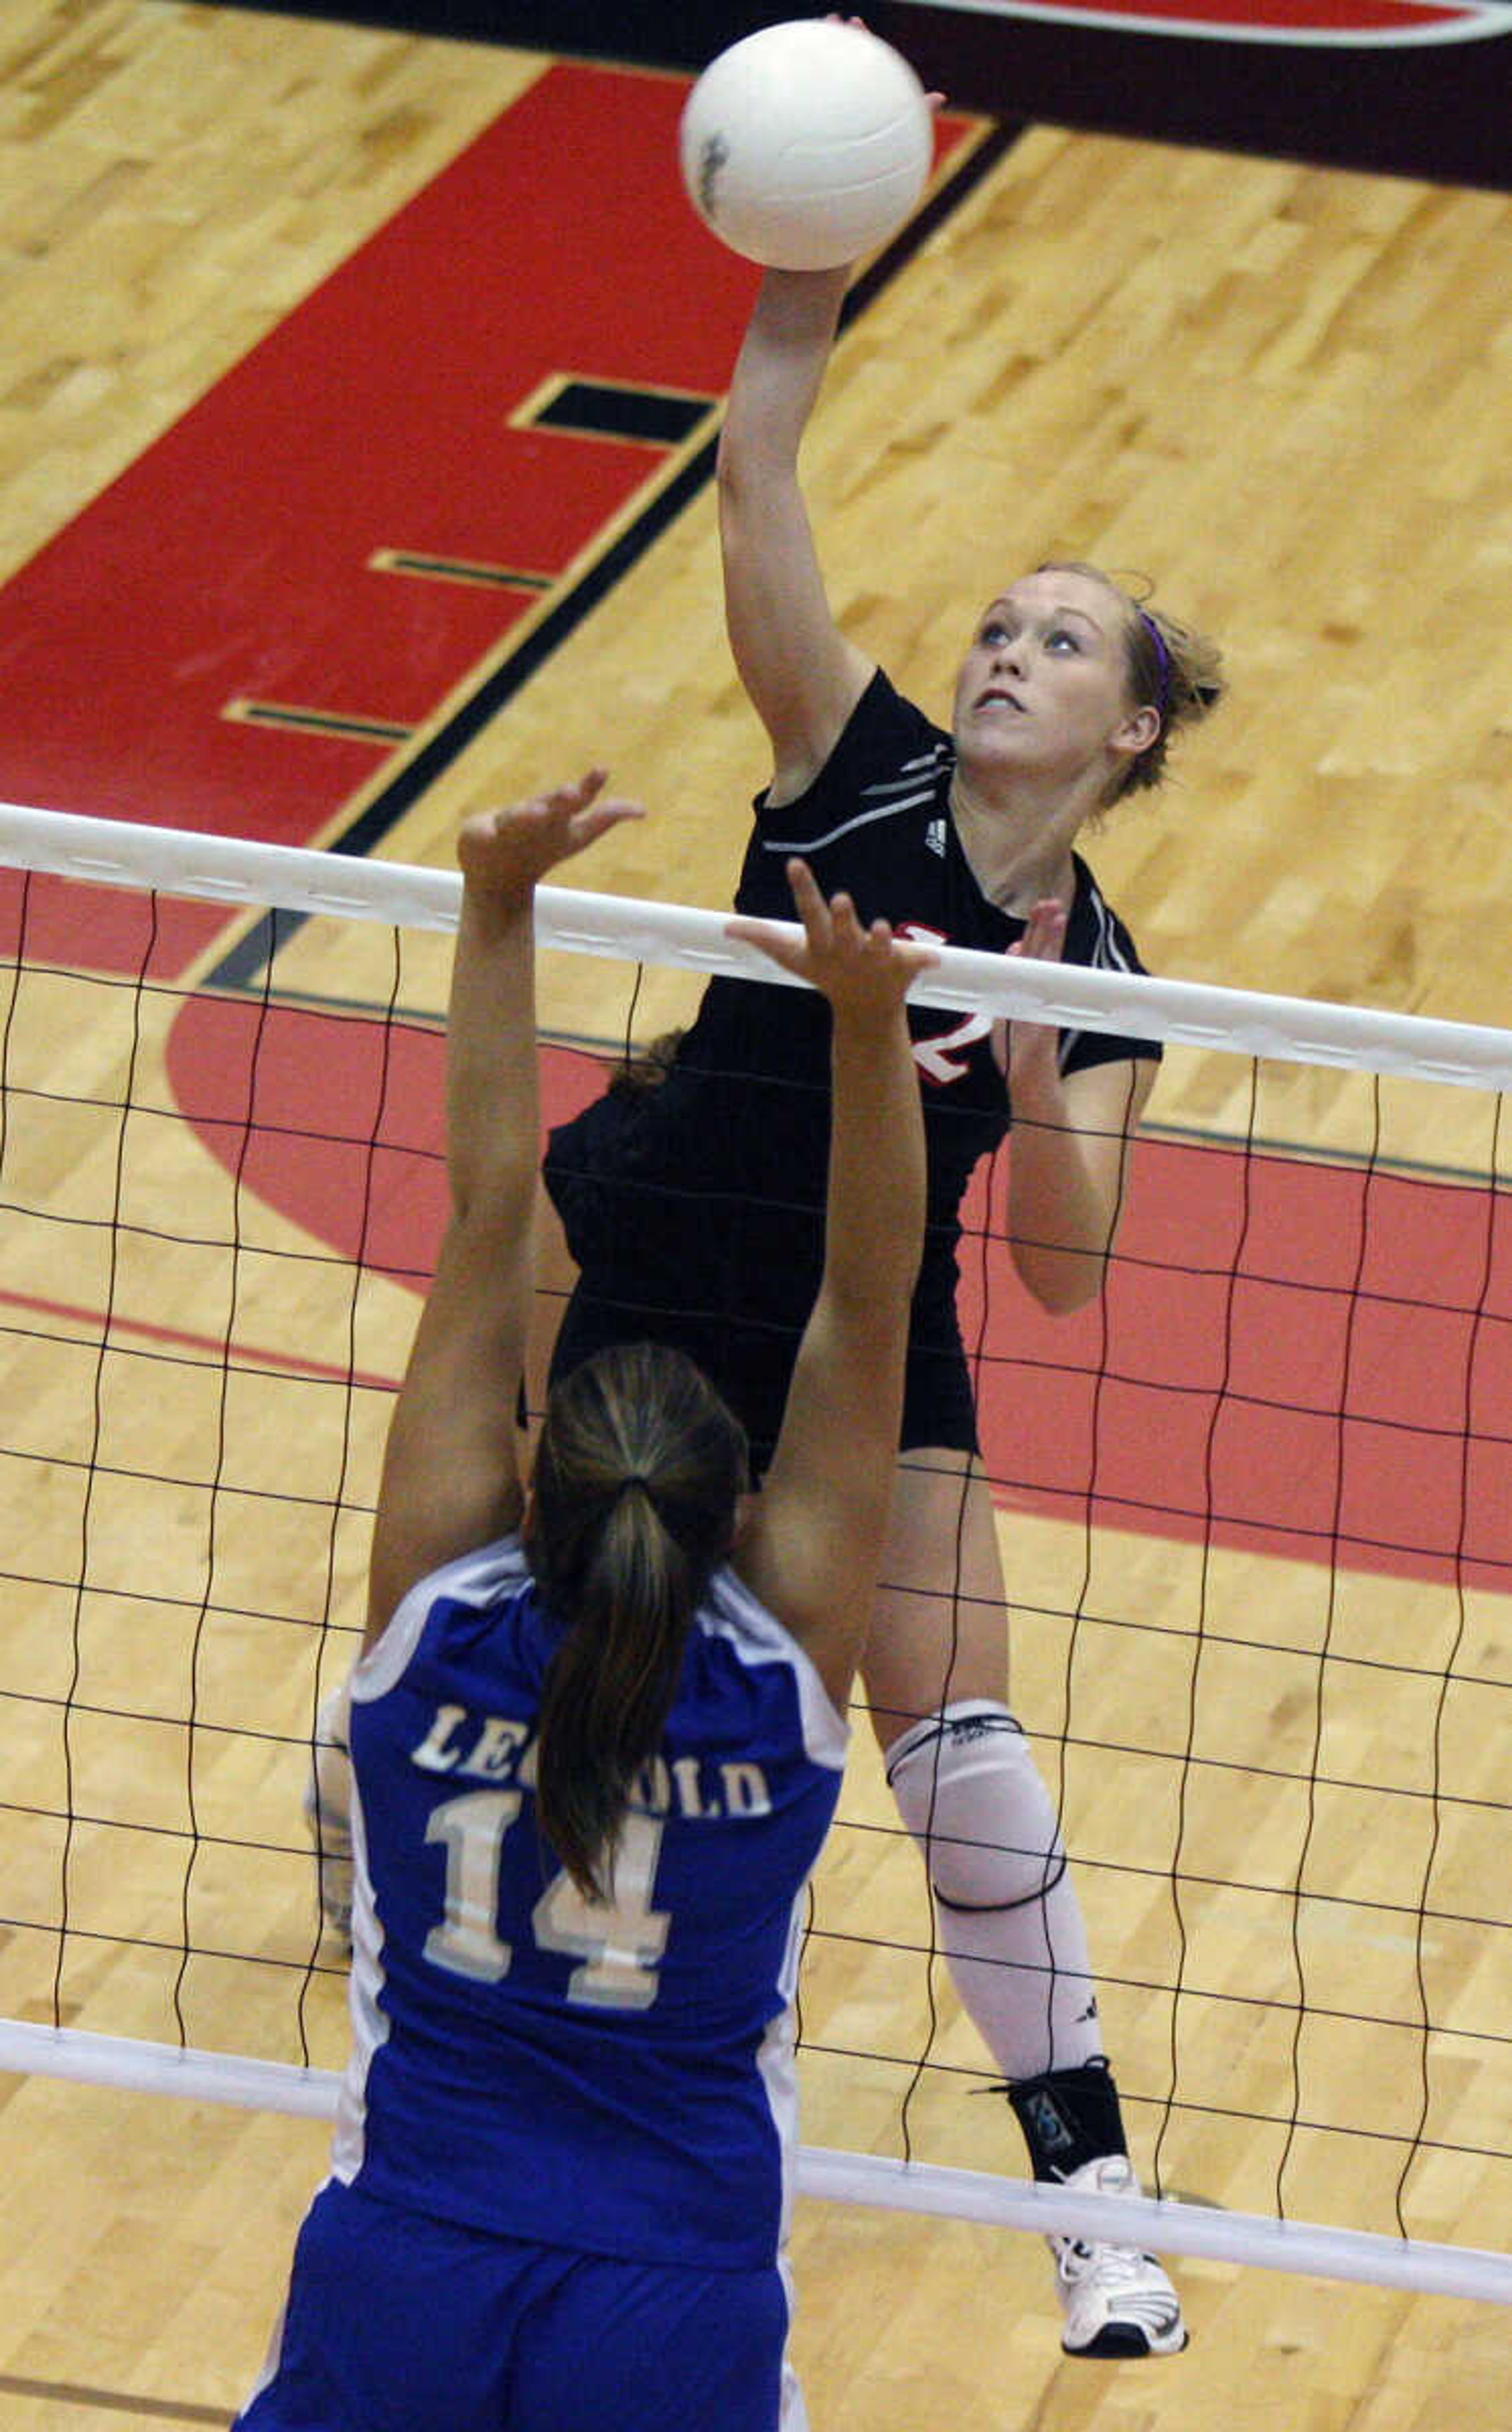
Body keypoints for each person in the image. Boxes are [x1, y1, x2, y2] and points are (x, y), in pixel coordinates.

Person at [535, 263, 1224, 2361]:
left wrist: (1044, 1100)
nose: (1009, 651)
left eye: (1062, 640)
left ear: (1131, 731)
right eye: (999, 624)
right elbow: (752, 475)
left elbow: (1068, 1269)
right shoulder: (847, 762)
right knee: (539, 1661)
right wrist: (803, 290)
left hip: (862, 1335)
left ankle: (1094, 2204)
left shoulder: (1096, 965)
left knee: (973, 1759)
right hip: (648, 1260)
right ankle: (418, 1916)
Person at [254, 770, 934, 2432]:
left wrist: (496, 909)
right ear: (749, 1512)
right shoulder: (777, 1670)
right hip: (674, 2291)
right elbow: (869, 1294)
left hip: (406, 2253)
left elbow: (497, 1205)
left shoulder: (438, 1612)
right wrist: (863, 1031)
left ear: (531, 1472)